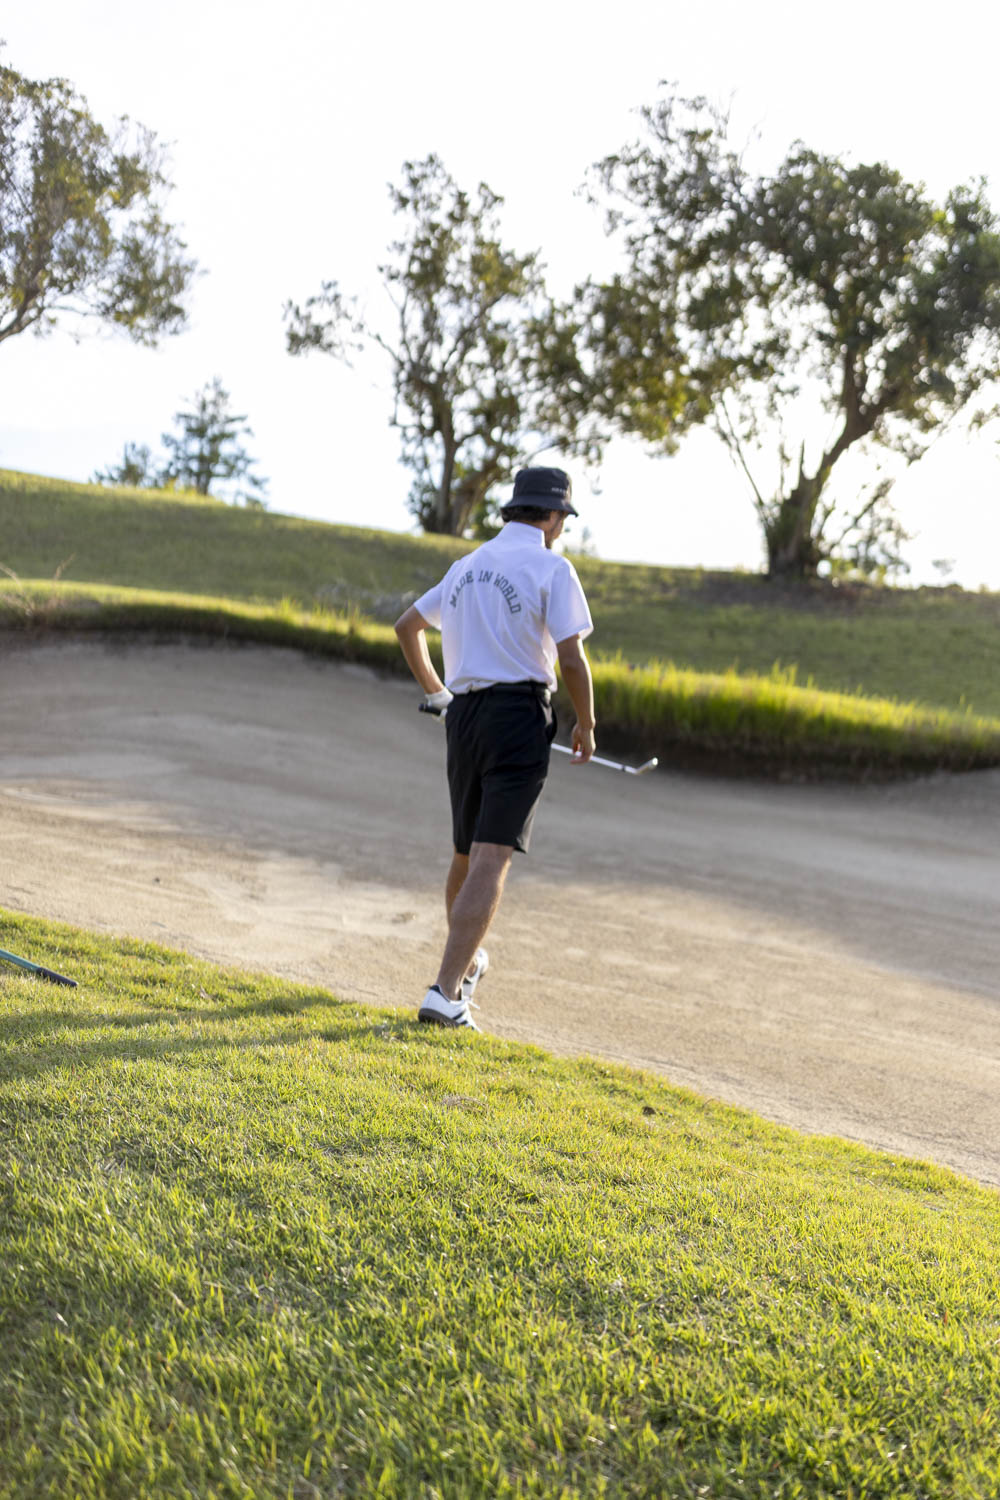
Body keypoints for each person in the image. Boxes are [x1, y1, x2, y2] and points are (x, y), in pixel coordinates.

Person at [394, 466, 596, 1029]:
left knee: (466, 852)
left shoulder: (466, 566)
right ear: (554, 517)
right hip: (518, 715)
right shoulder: (552, 567)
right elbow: (572, 658)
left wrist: (438, 693)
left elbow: (407, 626)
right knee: (492, 855)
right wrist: (587, 723)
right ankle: (445, 991)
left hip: (465, 717)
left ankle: (466, 964)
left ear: (514, 510)